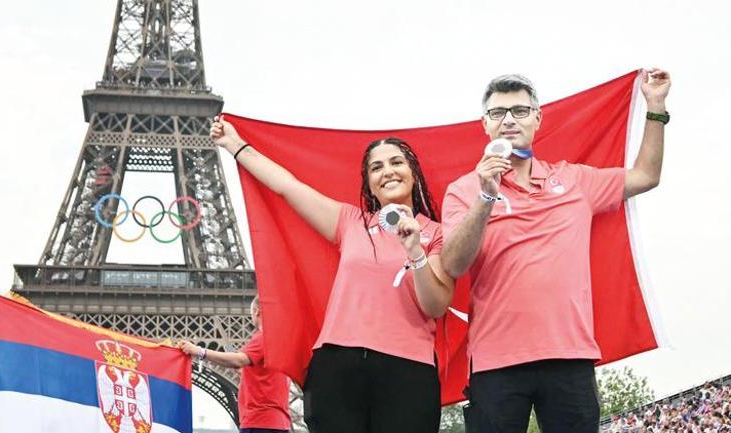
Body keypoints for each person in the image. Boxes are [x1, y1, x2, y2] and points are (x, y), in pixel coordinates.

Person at [441, 69, 670, 433]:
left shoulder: (575, 180)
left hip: (569, 355)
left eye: (519, 110)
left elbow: (645, 175)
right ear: (485, 124)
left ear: (537, 118)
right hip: (496, 362)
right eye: (498, 113)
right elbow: (453, 264)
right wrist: (486, 195)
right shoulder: (463, 190)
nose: (509, 121)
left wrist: (655, 107)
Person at [209, 117, 455, 433]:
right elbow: (287, 186)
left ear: (413, 173)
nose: (388, 171)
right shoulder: (351, 222)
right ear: (369, 183)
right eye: (376, 167)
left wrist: (415, 251)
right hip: (338, 367)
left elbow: (435, 305)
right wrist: (235, 146)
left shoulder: (435, 234)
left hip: (407, 371)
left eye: (396, 162)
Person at [178, 297, 292, 433]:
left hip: (259, 422)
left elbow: (238, 360)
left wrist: (199, 351)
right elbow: (268, 377)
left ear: (256, 312)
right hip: (277, 423)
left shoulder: (262, 337)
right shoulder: (280, 341)